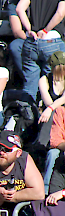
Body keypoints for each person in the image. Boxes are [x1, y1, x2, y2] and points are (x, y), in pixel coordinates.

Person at [16, 0, 65, 103]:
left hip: (32, 41)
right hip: (52, 41)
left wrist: (29, 29)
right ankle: (50, 117)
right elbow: (60, 13)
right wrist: (45, 30)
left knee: (29, 84)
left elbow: (19, 8)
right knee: (53, 83)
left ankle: (26, 115)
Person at [7, 0, 37, 84]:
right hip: (27, 37)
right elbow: (16, 31)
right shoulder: (14, 2)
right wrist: (31, 37)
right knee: (15, 46)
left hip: (45, 35)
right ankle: (29, 81)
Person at [44, 51, 65, 190]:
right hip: (62, 148)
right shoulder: (61, 112)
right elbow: (55, 141)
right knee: (53, 153)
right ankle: (45, 191)